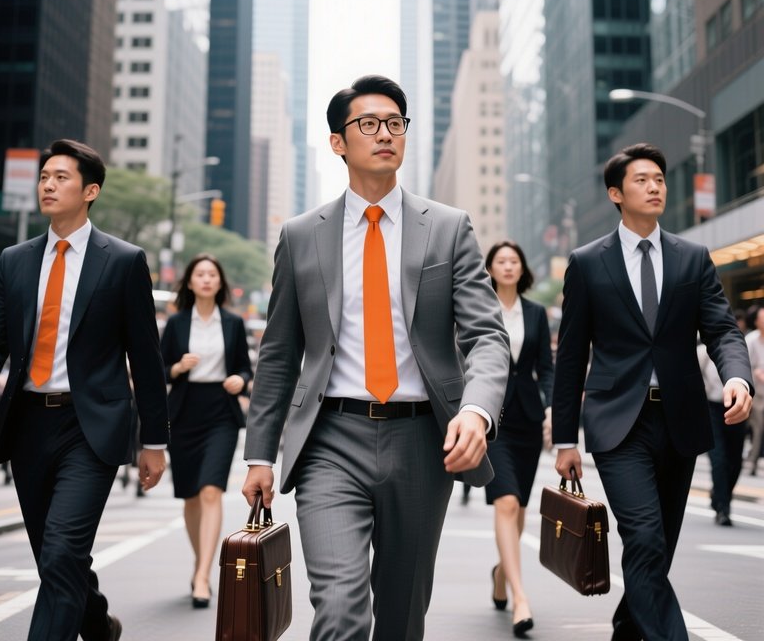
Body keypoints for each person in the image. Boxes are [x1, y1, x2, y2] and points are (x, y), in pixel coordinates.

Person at [242, 75, 510, 641]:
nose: (385, 133)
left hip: (422, 442)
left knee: (401, 615)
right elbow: (280, 353)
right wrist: (260, 454)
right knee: (339, 609)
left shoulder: (448, 227)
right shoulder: (299, 236)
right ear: (338, 142)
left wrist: (478, 412)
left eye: (395, 123)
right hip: (329, 441)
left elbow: (487, 335)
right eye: (368, 124)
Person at [0, 139, 169, 641]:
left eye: (62, 178)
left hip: (90, 427)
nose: (48, 185)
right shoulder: (15, 260)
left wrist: (156, 442)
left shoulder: (122, 261)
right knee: (56, 557)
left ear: (90, 190)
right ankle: (98, 625)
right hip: (29, 424)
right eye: (44, 177)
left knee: (61, 552)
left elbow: (145, 358)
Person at [552, 143, 753, 641]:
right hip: (619, 424)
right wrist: (564, 441)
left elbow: (723, 330)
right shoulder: (587, 263)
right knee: (642, 536)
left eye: (660, 179)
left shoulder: (693, 258)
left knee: (654, 550)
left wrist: (736, 376)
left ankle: (628, 632)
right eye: (642, 179)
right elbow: (572, 356)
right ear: (616, 193)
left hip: (681, 421)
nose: (655, 186)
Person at [160, 253, 252, 608]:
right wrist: (178, 367)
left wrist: (238, 380)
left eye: (212, 274)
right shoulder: (177, 323)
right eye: (199, 274)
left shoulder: (232, 323)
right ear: (189, 282)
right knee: (191, 496)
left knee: (212, 490)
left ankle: (202, 575)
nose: (206, 279)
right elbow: (159, 371)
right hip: (184, 413)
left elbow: (245, 369)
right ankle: (200, 564)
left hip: (220, 412)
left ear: (220, 282)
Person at [483, 241, 553, 637]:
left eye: (514, 261)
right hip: (491, 419)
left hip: (527, 419)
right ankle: (520, 596)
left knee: (520, 506)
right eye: (501, 261)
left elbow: (547, 366)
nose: (508, 266)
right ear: (490, 269)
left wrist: (550, 411)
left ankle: (499, 573)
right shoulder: (479, 307)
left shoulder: (537, 313)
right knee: (506, 501)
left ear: (522, 268)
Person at [697, 336, 746, 525]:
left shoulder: (739, 351)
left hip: (735, 407)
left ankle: (719, 494)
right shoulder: (703, 353)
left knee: (735, 461)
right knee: (718, 459)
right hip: (711, 408)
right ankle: (723, 509)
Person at [745, 305, 764, 475]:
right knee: (758, 429)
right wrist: (756, 372)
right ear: (757, 322)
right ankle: (752, 460)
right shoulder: (750, 340)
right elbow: (743, 366)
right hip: (756, 395)